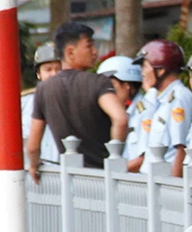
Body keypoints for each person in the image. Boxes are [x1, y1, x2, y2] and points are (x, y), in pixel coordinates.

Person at [26, 22, 128, 177]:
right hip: (102, 176)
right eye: (89, 46)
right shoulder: (98, 83)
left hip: (69, 176)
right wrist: (114, 156)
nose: (95, 51)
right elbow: (120, 119)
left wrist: (34, 166)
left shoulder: (43, 89)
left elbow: (33, 146)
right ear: (70, 52)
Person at [131, 39, 192, 177]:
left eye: (144, 66)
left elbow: (181, 149)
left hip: (165, 182)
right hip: (152, 179)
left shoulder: (179, 98)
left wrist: (175, 186)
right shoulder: (162, 99)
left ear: (160, 70)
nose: (142, 72)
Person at [97, 55, 145, 160]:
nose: (107, 92)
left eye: (111, 86)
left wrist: (115, 168)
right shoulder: (118, 111)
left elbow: (144, 159)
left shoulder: (144, 113)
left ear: (127, 85)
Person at [21, 42, 62, 165]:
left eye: (59, 69)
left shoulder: (76, 99)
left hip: (67, 168)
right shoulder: (24, 102)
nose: (54, 74)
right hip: (33, 167)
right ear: (38, 74)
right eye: (48, 69)